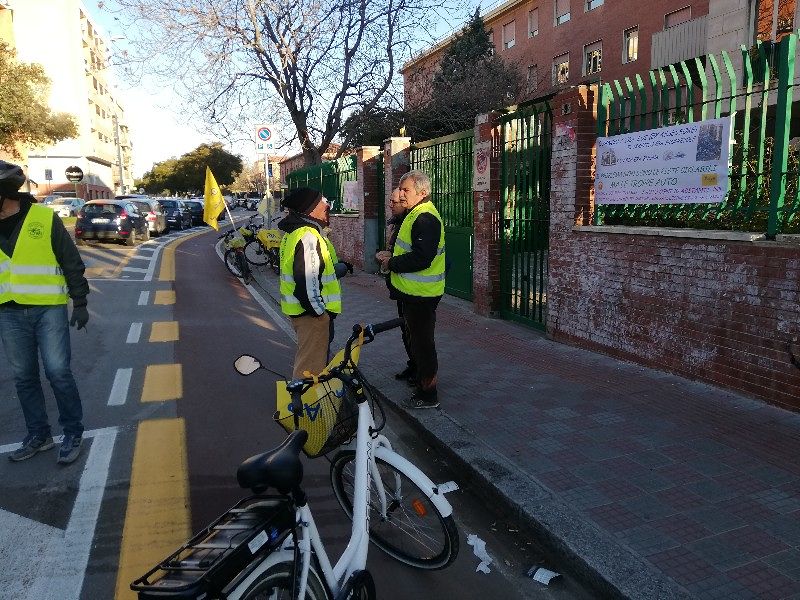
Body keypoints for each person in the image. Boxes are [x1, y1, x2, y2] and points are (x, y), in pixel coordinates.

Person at [0, 160, 90, 464]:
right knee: (24, 378)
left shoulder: (43, 217)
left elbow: (70, 260)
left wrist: (80, 301)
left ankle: (73, 432)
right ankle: (39, 436)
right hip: (9, 312)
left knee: (58, 372)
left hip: (47, 308)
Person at [375, 170, 445, 409]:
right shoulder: (414, 214)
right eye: (401, 189)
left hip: (422, 295)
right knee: (415, 341)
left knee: (423, 345)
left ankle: (428, 394)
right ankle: (421, 381)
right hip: (412, 292)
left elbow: (422, 258)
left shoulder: (425, 218)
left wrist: (391, 263)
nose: (401, 194)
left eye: (406, 190)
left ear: (422, 192)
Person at [278, 187, 352, 378]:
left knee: (311, 364)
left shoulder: (296, 233)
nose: (327, 205)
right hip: (311, 315)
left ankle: (306, 395)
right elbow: (307, 279)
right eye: (322, 201)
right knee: (309, 370)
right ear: (311, 209)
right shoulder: (308, 235)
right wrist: (319, 313)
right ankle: (304, 398)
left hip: (302, 313)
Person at [382, 188, 415, 383]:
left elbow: (415, 256)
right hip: (400, 285)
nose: (391, 205)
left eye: (394, 202)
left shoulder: (413, 222)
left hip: (412, 288)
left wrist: (390, 261)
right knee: (406, 330)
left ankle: (421, 373)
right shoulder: (397, 223)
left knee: (415, 333)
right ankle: (413, 365)